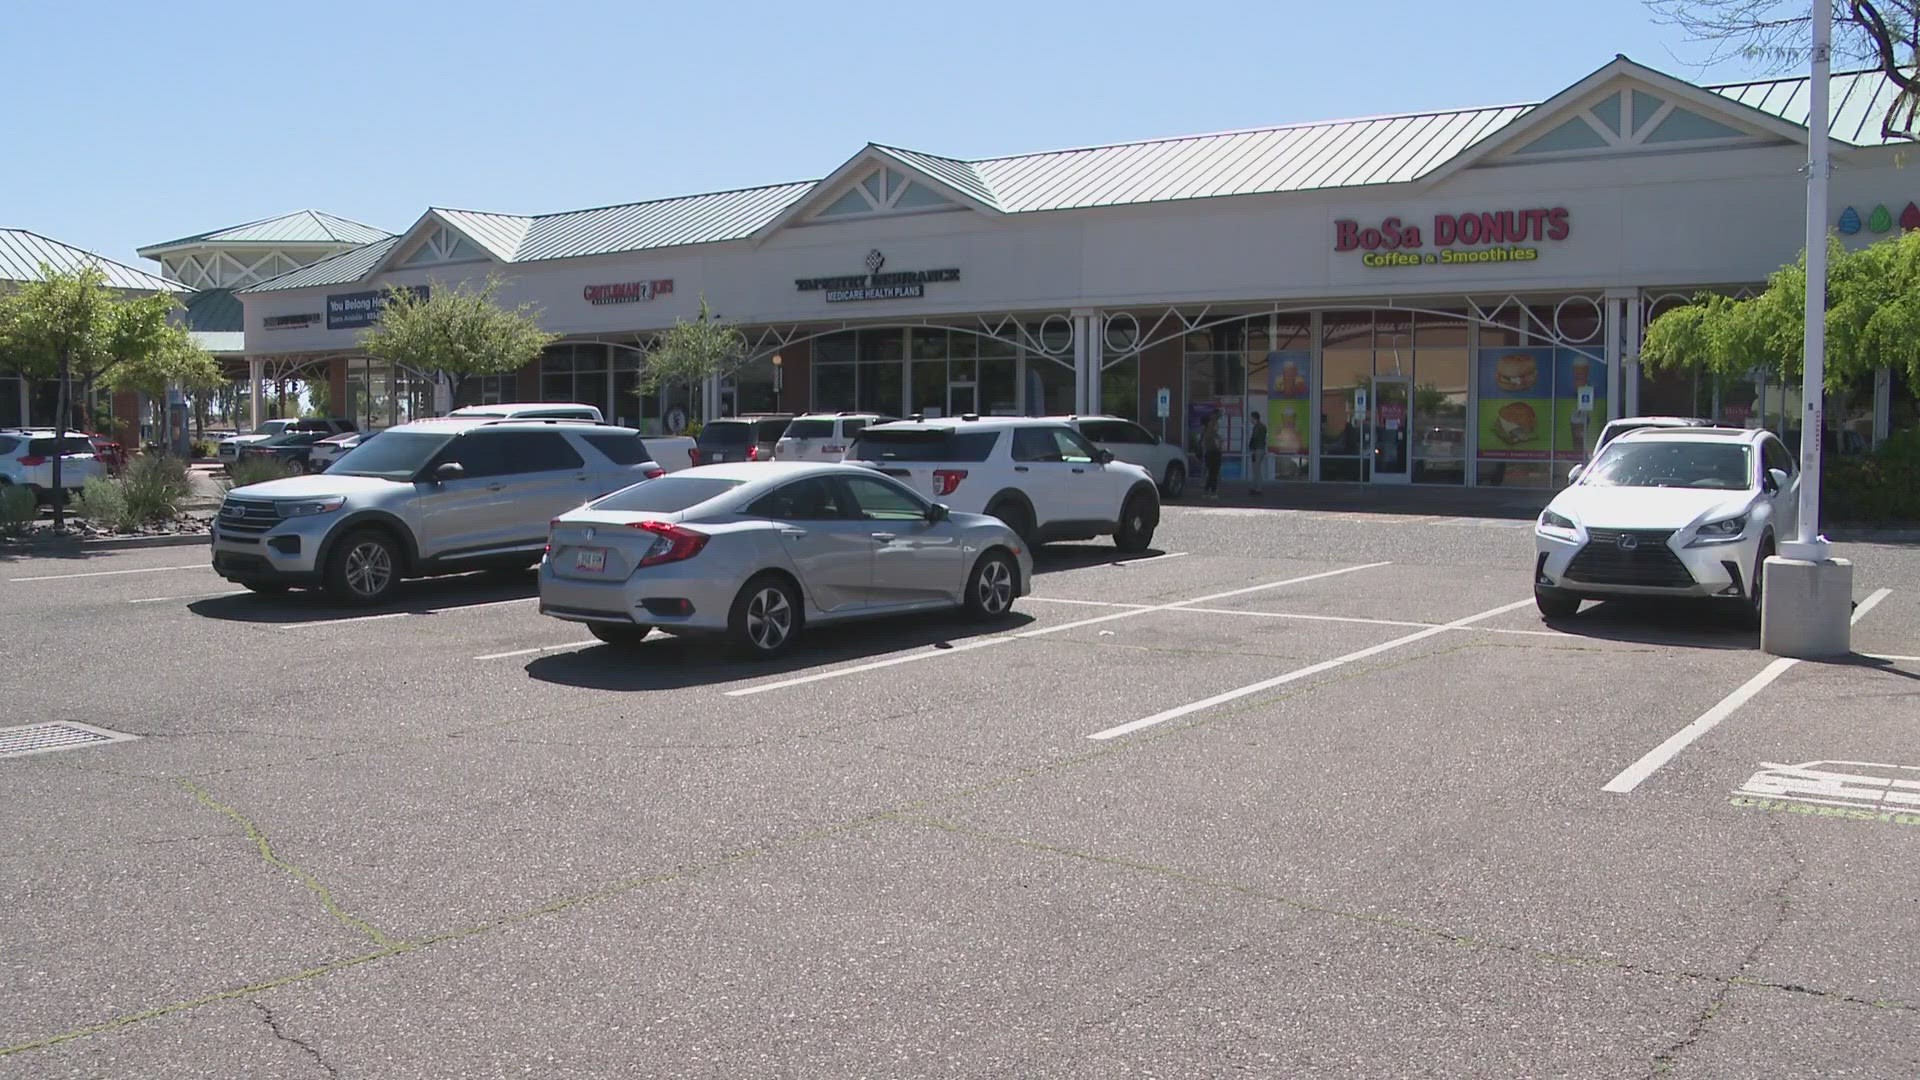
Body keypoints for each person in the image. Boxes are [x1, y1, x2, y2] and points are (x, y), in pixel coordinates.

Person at [1201, 414, 1223, 499]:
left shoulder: (1206, 434)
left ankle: (1206, 491)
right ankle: (1213, 492)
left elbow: (1203, 444)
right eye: (1217, 425)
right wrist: (1220, 443)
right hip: (1215, 454)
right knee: (1214, 474)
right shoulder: (1215, 435)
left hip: (1208, 454)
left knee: (1210, 474)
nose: (1217, 426)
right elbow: (1218, 446)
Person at [1247, 414, 1268, 495]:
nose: (1250, 420)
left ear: (1254, 418)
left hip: (1257, 449)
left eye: (1251, 418)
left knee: (1256, 469)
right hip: (1261, 449)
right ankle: (1255, 487)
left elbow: (1254, 438)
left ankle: (1257, 488)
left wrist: (1251, 447)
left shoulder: (1257, 427)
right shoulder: (1263, 426)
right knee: (1257, 469)